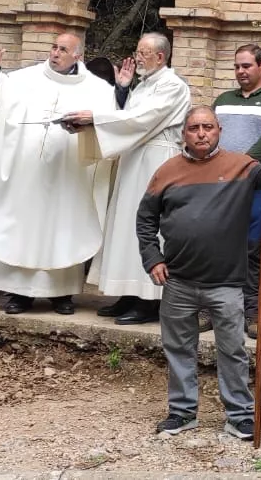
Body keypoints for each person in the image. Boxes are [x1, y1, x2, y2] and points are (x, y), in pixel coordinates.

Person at [137, 106, 261, 441]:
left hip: (226, 283)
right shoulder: (167, 171)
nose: (202, 133)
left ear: (219, 130)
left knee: (232, 351)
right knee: (178, 348)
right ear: (184, 133)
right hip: (178, 280)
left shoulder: (241, 166)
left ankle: (239, 416)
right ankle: (182, 413)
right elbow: (145, 219)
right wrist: (152, 258)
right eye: (194, 128)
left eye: (208, 126)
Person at [0, 34, 117, 315]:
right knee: (23, 228)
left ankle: (61, 294)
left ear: (77, 56)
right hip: (26, 175)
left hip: (69, 176)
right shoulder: (23, 80)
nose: (55, 53)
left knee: (64, 228)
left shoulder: (98, 90)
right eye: (53, 47)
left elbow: (110, 124)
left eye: (63, 50)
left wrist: (92, 120)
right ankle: (18, 294)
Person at [76, 32, 192, 325]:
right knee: (126, 226)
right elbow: (129, 116)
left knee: (148, 226)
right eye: (138, 50)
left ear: (161, 57)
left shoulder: (173, 86)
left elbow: (143, 119)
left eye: (144, 52)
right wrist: (123, 90)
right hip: (134, 160)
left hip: (156, 161)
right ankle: (127, 293)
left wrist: (95, 118)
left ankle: (148, 300)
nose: (137, 56)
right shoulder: (143, 85)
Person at [213, 44, 261, 335]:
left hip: (258, 185)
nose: (240, 72)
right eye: (236, 66)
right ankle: (215, 311)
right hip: (220, 185)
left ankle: (252, 314)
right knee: (218, 248)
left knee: (251, 250)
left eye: (246, 66)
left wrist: (237, 164)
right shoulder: (223, 99)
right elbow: (209, 132)